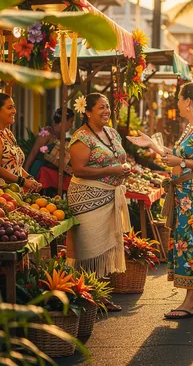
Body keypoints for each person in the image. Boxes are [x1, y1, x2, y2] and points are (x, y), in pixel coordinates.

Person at [128, 82, 193, 319]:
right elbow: (176, 156)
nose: (177, 103)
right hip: (188, 195)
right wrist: (153, 145)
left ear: (188, 101)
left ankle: (189, 303)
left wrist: (181, 163)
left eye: (179, 98)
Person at [67, 93, 132, 312]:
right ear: (87, 112)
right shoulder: (81, 137)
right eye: (101, 107)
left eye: (108, 107)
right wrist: (112, 170)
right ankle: (85, 297)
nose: (106, 111)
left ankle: (100, 295)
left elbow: (119, 158)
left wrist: (124, 169)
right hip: (88, 198)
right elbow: (79, 169)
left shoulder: (112, 133)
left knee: (106, 247)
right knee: (89, 247)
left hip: (110, 196)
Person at [0, 93, 42, 192]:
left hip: (13, 193)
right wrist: (22, 181)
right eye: (9, 108)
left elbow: (15, 165)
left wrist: (29, 178)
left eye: (13, 107)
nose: (14, 111)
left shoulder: (7, 132)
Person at [23, 107, 75, 193]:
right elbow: (34, 152)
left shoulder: (62, 136)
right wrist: (25, 173)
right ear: (63, 121)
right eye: (71, 122)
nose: (71, 125)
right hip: (39, 170)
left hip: (52, 173)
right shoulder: (46, 132)